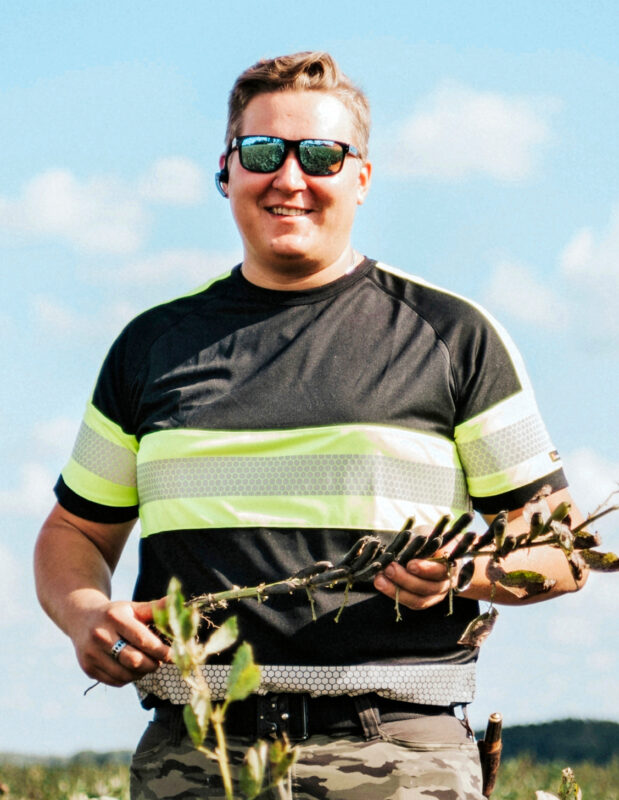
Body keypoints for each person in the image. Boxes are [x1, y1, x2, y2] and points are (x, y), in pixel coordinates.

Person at [35, 51, 588, 799]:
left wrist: (462, 573)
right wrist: (85, 614)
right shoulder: (150, 346)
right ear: (226, 172)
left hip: (398, 759)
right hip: (193, 757)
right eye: (263, 152)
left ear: (361, 177)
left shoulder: (455, 336)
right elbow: (74, 532)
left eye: (321, 155)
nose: (289, 178)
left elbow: (562, 549)